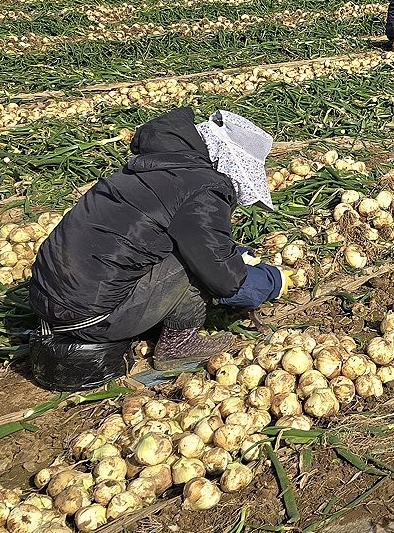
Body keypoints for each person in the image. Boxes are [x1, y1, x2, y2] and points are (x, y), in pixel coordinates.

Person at [29, 107, 291, 372]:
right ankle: (178, 345)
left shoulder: (160, 165)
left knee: (190, 248)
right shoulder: (203, 188)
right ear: (232, 162)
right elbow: (222, 278)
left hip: (47, 298)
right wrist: (270, 281)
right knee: (196, 262)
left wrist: (234, 254)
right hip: (90, 317)